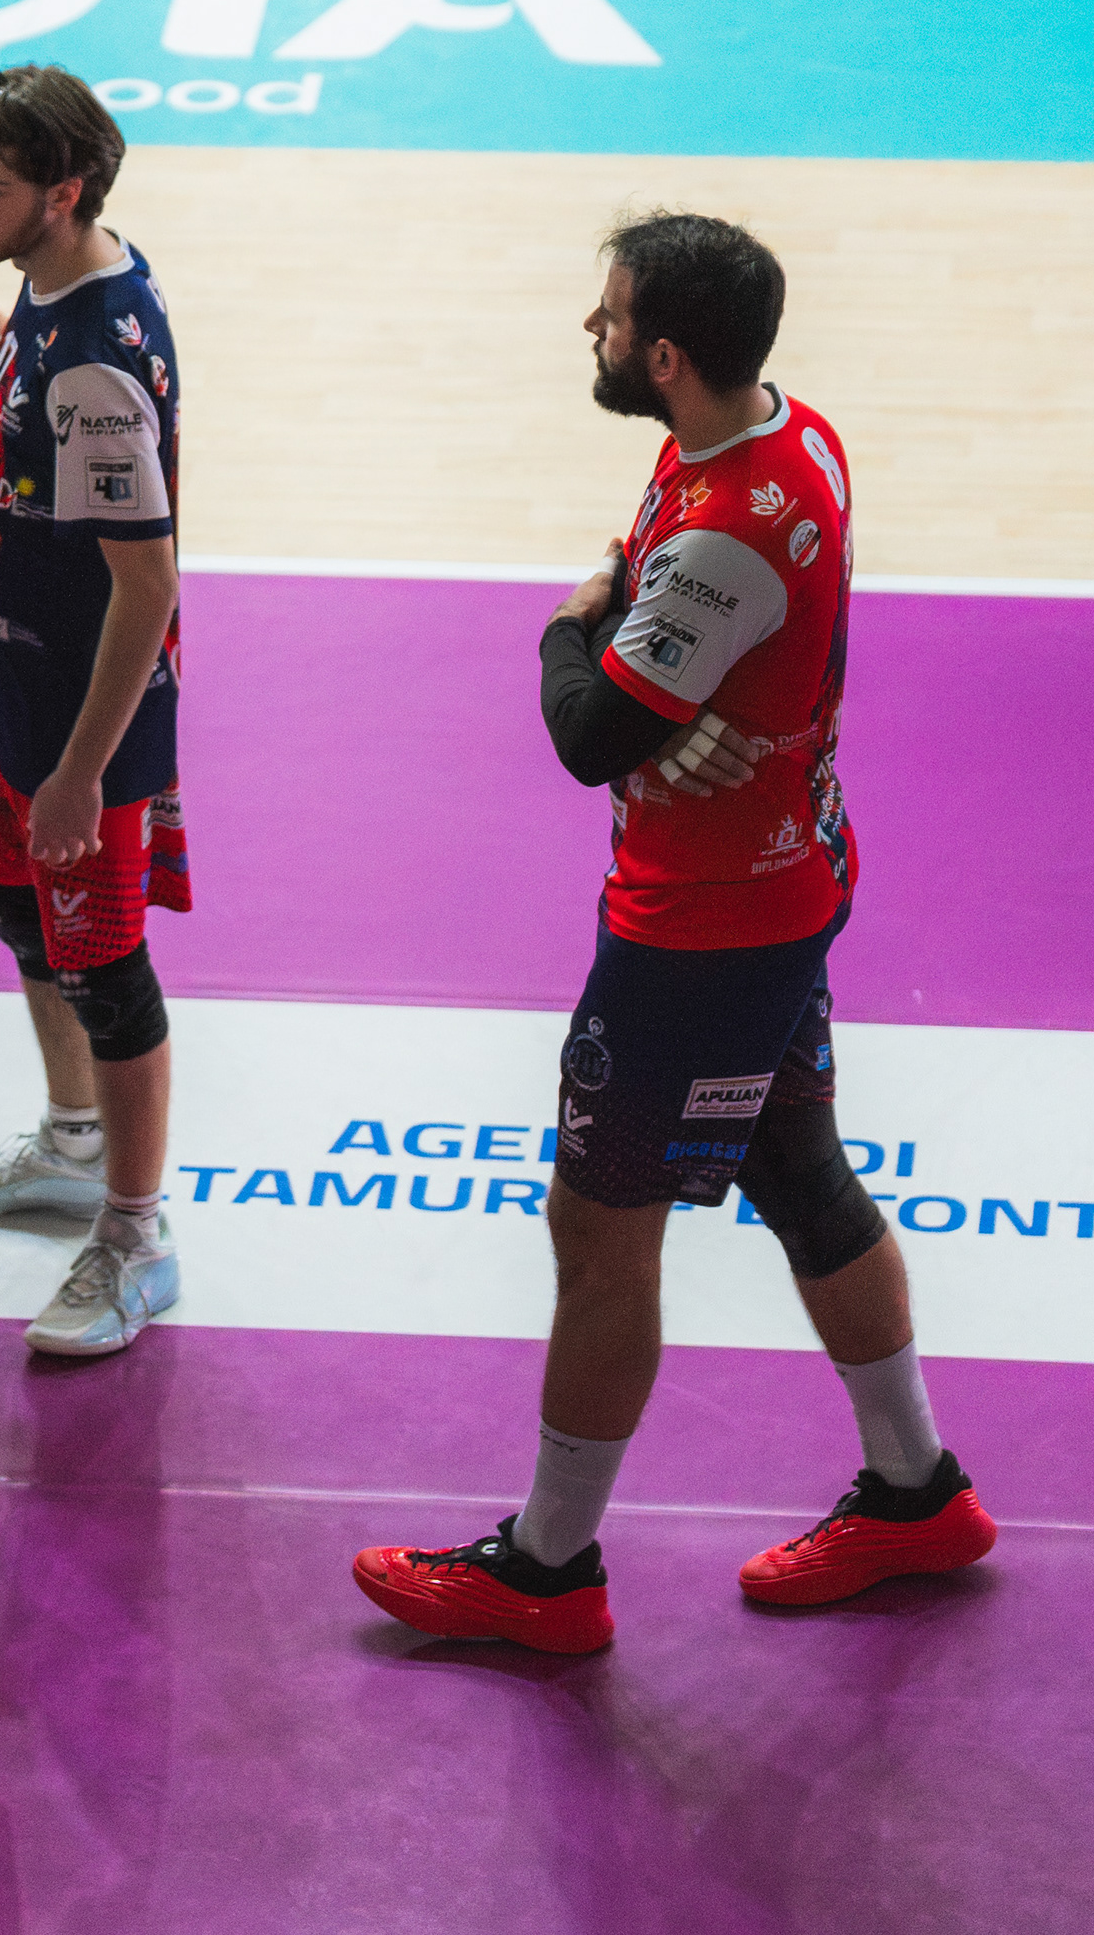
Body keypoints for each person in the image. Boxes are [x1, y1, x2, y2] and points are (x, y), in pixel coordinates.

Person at [352, 213, 995, 1655]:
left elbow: (588, 734)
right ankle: (917, 1492)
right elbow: (652, 600)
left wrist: (572, 623)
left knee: (599, 1231)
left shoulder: (722, 533)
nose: (590, 328)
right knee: (798, 1166)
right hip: (789, 876)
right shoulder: (784, 431)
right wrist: (655, 665)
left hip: (702, 933)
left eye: (610, 313)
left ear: (665, 356)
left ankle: (545, 1573)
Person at [0, 67, 193, 1356]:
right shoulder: (57, 286)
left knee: (107, 969)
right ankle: (75, 1144)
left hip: (83, 722)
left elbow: (148, 586)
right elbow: (18, 396)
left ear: (62, 194)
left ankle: (136, 1234)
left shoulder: (97, 367)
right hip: (11, 690)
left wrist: (82, 771)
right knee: (26, 919)